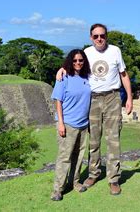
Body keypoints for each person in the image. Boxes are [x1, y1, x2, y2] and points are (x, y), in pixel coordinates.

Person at [57, 23, 133, 196]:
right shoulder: (87, 53)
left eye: (102, 35)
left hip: (113, 97)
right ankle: (93, 174)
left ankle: (113, 178)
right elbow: (75, 64)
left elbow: (123, 75)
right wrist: (62, 69)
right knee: (94, 141)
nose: (99, 39)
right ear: (91, 37)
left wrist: (129, 97)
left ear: (107, 36)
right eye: (96, 36)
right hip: (93, 99)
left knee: (113, 140)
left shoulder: (115, 51)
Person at [50, 49, 91, 201]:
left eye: (80, 60)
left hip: (83, 124)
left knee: (78, 156)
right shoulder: (64, 77)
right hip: (67, 123)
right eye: (74, 61)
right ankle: (57, 189)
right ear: (69, 61)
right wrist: (60, 123)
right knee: (64, 157)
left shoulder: (87, 76)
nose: (78, 63)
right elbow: (58, 101)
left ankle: (74, 182)